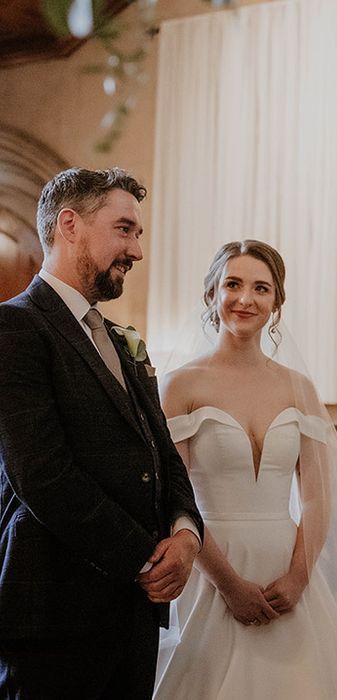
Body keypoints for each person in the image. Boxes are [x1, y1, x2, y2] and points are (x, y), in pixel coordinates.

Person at [154, 240, 337, 699]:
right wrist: (228, 584)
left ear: (276, 304)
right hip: (212, 564)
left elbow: (317, 495)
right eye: (233, 284)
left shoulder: (298, 388)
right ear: (211, 295)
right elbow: (173, 498)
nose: (245, 299)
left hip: (289, 566)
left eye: (261, 288)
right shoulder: (181, 385)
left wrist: (299, 576)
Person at [0, 167, 203, 699]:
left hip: (132, 616)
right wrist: (144, 558)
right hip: (55, 613)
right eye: (124, 229)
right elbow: (41, 474)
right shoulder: (16, 328)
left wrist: (186, 533)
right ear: (70, 225)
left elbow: (160, 449)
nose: (137, 249)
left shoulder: (120, 338)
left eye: (137, 234)